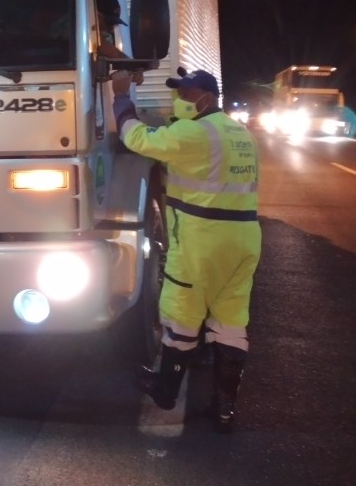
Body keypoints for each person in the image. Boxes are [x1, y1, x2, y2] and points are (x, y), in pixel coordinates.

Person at [110, 66, 261, 433]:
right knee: (230, 322)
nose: (181, 100)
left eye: (187, 94)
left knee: (181, 313)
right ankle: (224, 410)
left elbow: (138, 139)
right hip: (243, 240)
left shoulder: (193, 133)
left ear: (207, 98)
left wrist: (121, 97)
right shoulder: (239, 133)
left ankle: (164, 391)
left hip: (201, 238)